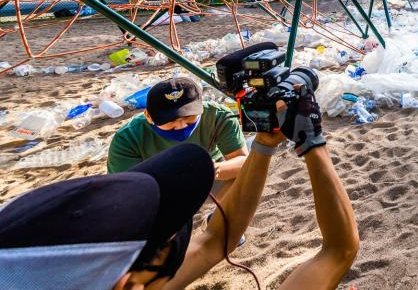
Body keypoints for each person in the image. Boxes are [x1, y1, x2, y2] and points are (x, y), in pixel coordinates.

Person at [0, 73, 358, 290]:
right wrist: (312, 142)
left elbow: (215, 239)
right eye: (164, 233)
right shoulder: (127, 138)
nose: (179, 231)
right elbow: (337, 251)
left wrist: (264, 145)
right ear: (127, 284)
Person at [108, 77, 247, 198]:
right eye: (170, 121)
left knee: (244, 187)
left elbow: (243, 163)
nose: (181, 126)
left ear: (201, 109)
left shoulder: (218, 116)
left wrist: (212, 169)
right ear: (148, 117)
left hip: (210, 174)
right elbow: (125, 190)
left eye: (189, 117)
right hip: (157, 188)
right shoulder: (127, 138)